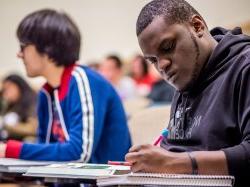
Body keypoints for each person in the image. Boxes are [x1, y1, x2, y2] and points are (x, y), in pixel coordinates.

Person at [125, 0, 250, 186]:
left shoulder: (244, 67)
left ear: (197, 26)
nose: (162, 66)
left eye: (167, 47)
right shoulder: (186, 78)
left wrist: (171, 163)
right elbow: (174, 150)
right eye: (153, 60)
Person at [0, 9, 131, 163]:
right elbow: (46, 149)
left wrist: (11, 149)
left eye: (23, 46)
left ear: (47, 48)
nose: (19, 54)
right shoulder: (46, 93)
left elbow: (79, 152)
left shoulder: (83, 80)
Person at [0, 74, 37, 141]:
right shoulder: (12, 104)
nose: (6, 93)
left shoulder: (32, 100)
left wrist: (6, 125)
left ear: (19, 85)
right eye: (4, 90)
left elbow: (32, 129)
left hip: (25, 143)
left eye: (9, 88)